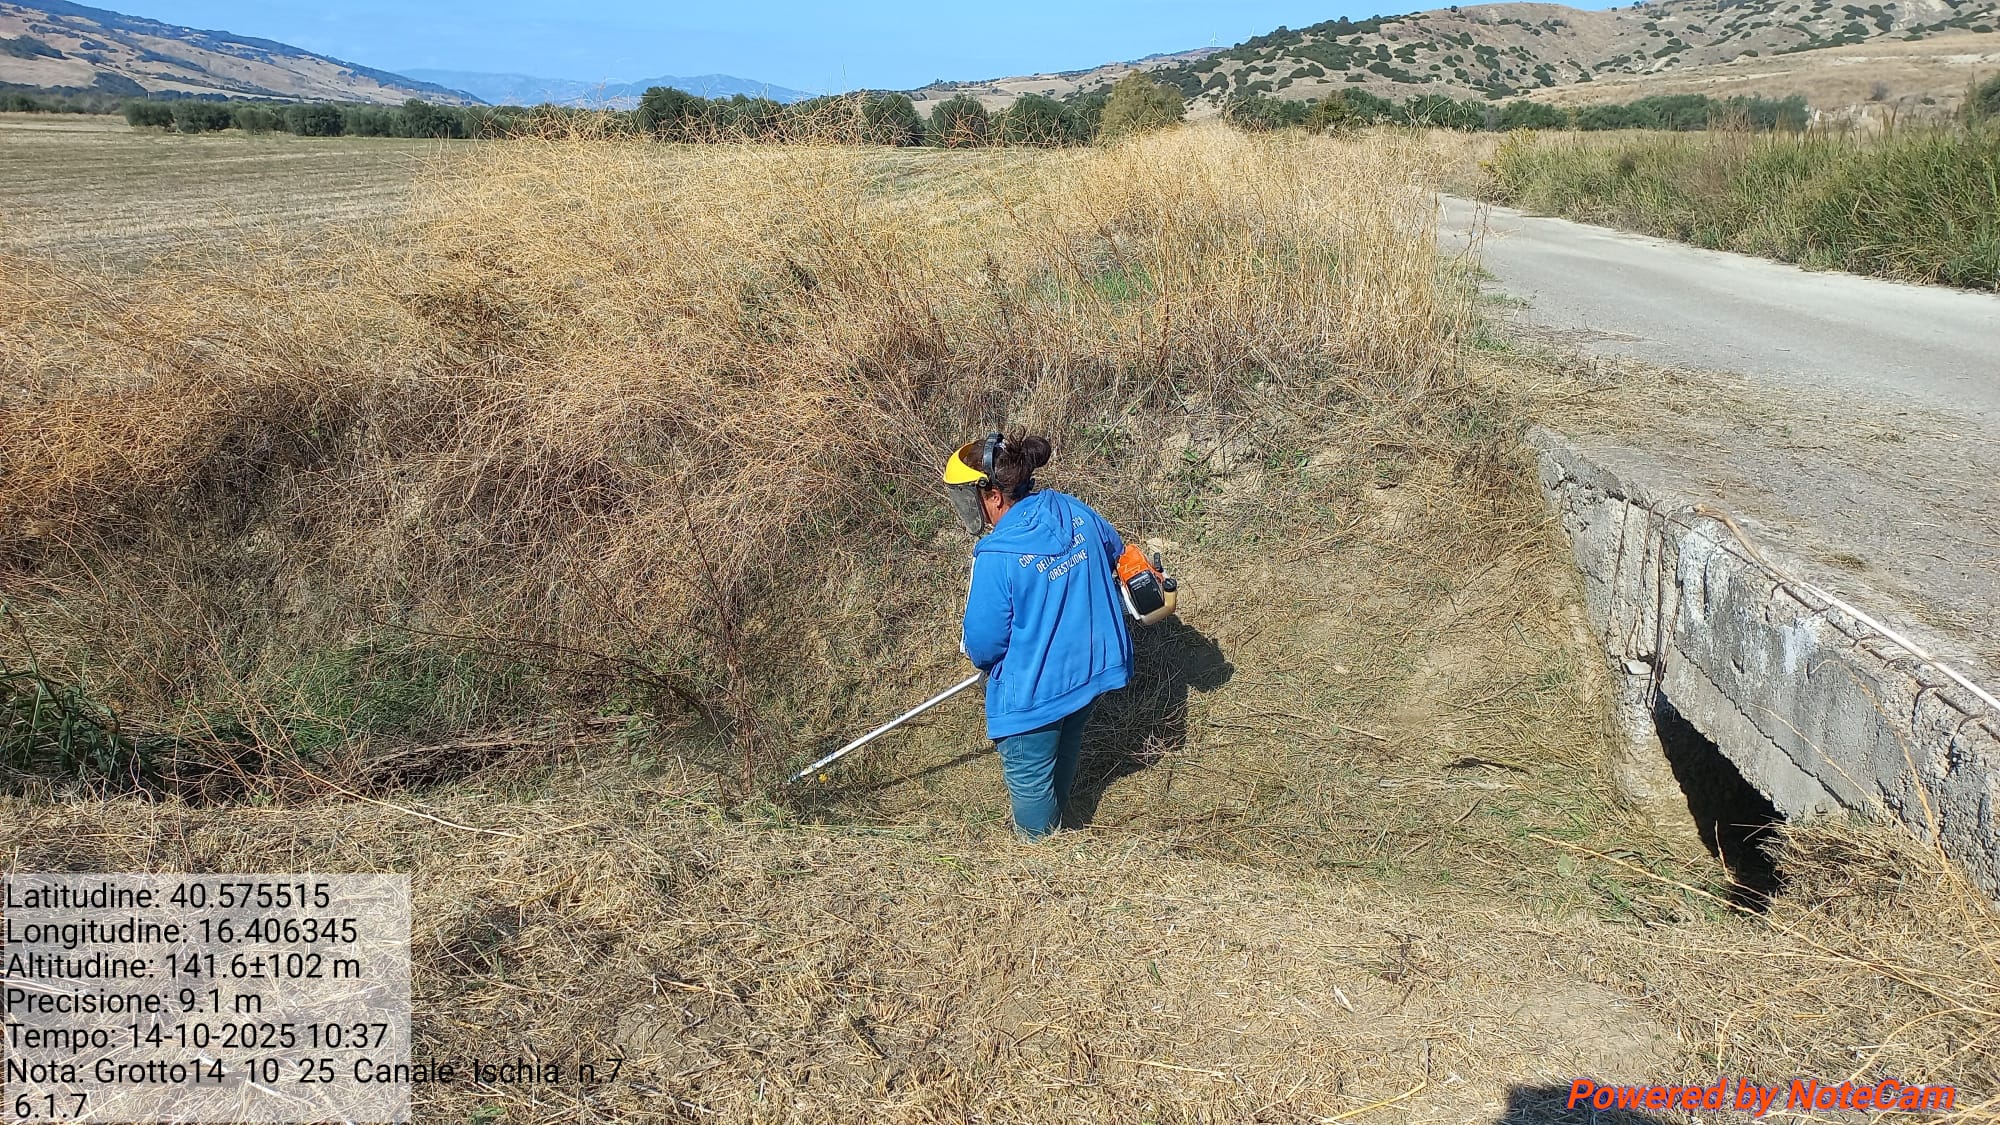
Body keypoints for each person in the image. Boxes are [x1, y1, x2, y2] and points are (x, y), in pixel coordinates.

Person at [942, 431, 1133, 838]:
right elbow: (1119, 554)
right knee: (1062, 758)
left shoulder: (997, 556)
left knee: (1033, 814)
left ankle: (1044, 868)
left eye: (967, 498)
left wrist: (975, 650)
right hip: (1087, 679)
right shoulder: (1072, 510)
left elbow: (983, 645)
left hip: (1031, 697)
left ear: (993, 496)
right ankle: (1061, 831)